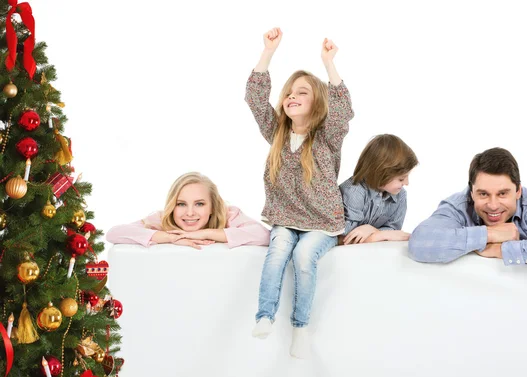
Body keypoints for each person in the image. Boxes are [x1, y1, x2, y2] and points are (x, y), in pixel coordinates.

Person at [245, 27, 354, 358]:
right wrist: (268, 52)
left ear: (317, 102)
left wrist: (328, 62)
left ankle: (301, 327)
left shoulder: (327, 138)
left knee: (304, 257)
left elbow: (343, 109)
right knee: (278, 250)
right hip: (285, 217)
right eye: (288, 93)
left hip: (322, 222)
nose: (291, 97)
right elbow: (254, 98)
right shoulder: (276, 132)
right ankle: (264, 316)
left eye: (302, 93)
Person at [408, 147, 527, 269]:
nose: (493, 205)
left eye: (502, 194)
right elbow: (420, 242)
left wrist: (501, 250)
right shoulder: (458, 205)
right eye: (483, 194)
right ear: (471, 192)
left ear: (518, 191)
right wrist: (489, 234)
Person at [105, 172, 270, 249]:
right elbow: (114, 233)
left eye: (199, 204)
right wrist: (170, 237)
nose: (189, 213)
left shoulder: (229, 214)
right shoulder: (162, 219)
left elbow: (265, 235)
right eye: (181, 204)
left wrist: (206, 233)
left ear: (212, 206)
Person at [339, 134, 417, 245]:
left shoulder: (400, 195)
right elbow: (345, 239)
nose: (406, 183)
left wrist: (371, 230)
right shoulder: (353, 192)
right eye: (401, 179)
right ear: (382, 173)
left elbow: (394, 232)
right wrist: (380, 235)